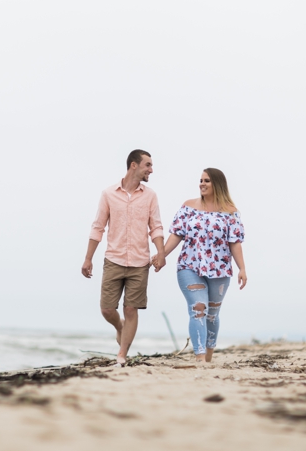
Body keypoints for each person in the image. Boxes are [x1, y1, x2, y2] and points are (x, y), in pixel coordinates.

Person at [151, 168, 247, 363]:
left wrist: (242, 269)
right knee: (198, 309)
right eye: (201, 180)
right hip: (189, 266)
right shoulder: (188, 207)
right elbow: (177, 234)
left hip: (219, 270)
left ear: (217, 184)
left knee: (212, 314)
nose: (202, 184)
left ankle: (209, 356)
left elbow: (234, 242)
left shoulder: (230, 212)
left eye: (207, 181)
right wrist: (161, 255)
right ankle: (200, 357)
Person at [82, 149, 165, 367]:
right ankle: (120, 328)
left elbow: (155, 227)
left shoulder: (150, 196)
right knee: (107, 309)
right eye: (148, 165)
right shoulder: (109, 194)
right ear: (133, 165)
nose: (151, 169)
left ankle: (122, 354)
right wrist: (88, 258)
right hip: (114, 259)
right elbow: (97, 227)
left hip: (140, 262)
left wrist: (161, 252)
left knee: (131, 308)